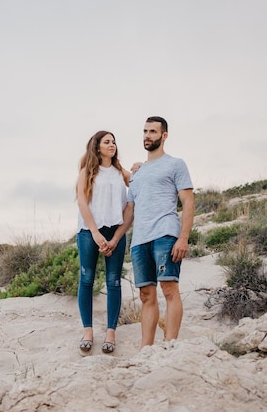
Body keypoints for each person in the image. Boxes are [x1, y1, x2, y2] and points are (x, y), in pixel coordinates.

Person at [107, 116, 194, 347]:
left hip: (165, 233)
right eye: (145, 131)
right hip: (139, 240)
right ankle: (147, 350)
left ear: (164, 136)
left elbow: (188, 202)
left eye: (153, 132)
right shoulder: (137, 174)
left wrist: (183, 237)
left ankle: (170, 345)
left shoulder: (176, 164)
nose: (147, 135)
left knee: (169, 288)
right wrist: (116, 239)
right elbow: (130, 211)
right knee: (146, 295)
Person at [76, 130, 130, 354]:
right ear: (97, 146)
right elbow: (82, 202)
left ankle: (111, 332)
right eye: (107, 142)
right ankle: (87, 330)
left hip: (115, 230)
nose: (112, 145)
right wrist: (97, 234)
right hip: (89, 231)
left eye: (114, 141)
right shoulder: (87, 172)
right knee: (87, 279)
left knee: (114, 281)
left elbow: (131, 204)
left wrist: (116, 237)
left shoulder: (120, 173)